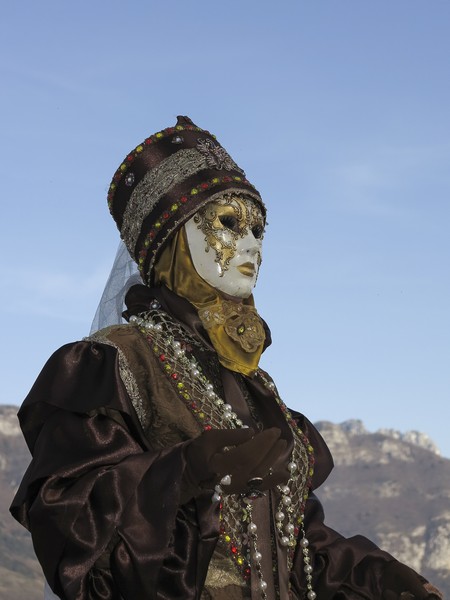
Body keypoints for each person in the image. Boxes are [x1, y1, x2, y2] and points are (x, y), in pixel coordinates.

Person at [10, 116, 442, 600]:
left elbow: (296, 544)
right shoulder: (113, 364)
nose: (251, 243)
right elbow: (71, 526)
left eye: (259, 228)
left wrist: (380, 578)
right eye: (229, 223)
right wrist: (184, 471)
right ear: (170, 239)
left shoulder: (255, 385)